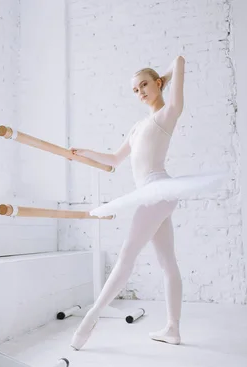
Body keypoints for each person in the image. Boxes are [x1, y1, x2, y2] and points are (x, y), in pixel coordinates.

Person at [68, 55, 226, 350]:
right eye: (135, 89)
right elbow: (115, 159)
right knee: (167, 262)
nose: (140, 92)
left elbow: (179, 60)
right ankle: (172, 329)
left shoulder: (166, 115)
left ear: (157, 84)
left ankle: (91, 317)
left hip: (158, 188)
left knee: (127, 254)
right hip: (155, 195)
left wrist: (164, 77)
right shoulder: (138, 126)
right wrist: (86, 153)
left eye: (144, 85)